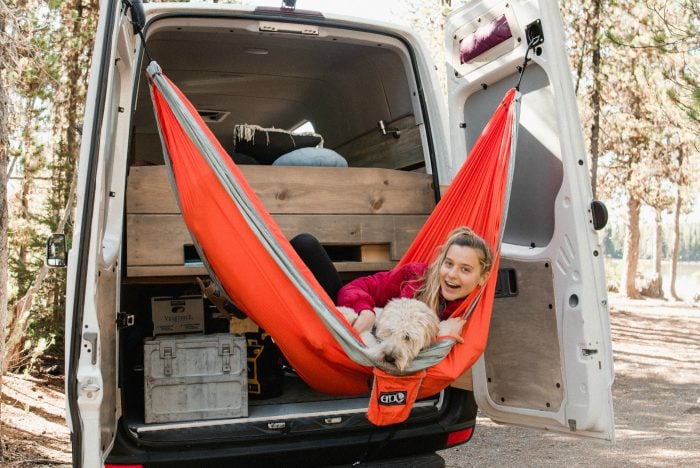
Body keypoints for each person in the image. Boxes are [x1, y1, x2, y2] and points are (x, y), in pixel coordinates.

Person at [292, 227, 493, 342]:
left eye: (465, 269)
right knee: (305, 244)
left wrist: (441, 333)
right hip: (352, 326)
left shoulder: (474, 312)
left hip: (375, 356)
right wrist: (365, 310)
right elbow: (353, 288)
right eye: (448, 264)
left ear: (482, 278)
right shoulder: (415, 276)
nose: (452, 275)